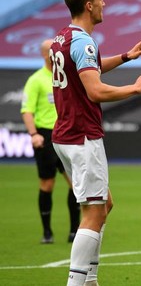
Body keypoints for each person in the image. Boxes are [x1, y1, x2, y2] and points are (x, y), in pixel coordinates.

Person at [50, 0, 141, 286]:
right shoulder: (83, 42)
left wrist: (125, 57)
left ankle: (91, 279)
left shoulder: (63, 37)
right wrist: (134, 88)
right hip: (83, 134)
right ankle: (77, 282)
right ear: (88, 5)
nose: (104, 3)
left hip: (65, 134)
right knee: (94, 212)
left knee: (104, 204)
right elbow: (94, 90)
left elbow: (89, 69)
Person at [21, 39, 80, 244]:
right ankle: (47, 232)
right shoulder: (36, 80)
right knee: (47, 184)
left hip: (66, 134)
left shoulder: (64, 76)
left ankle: (75, 231)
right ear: (46, 55)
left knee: (75, 183)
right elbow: (27, 110)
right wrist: (33, 134)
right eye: (52, 51)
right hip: (45, 136)